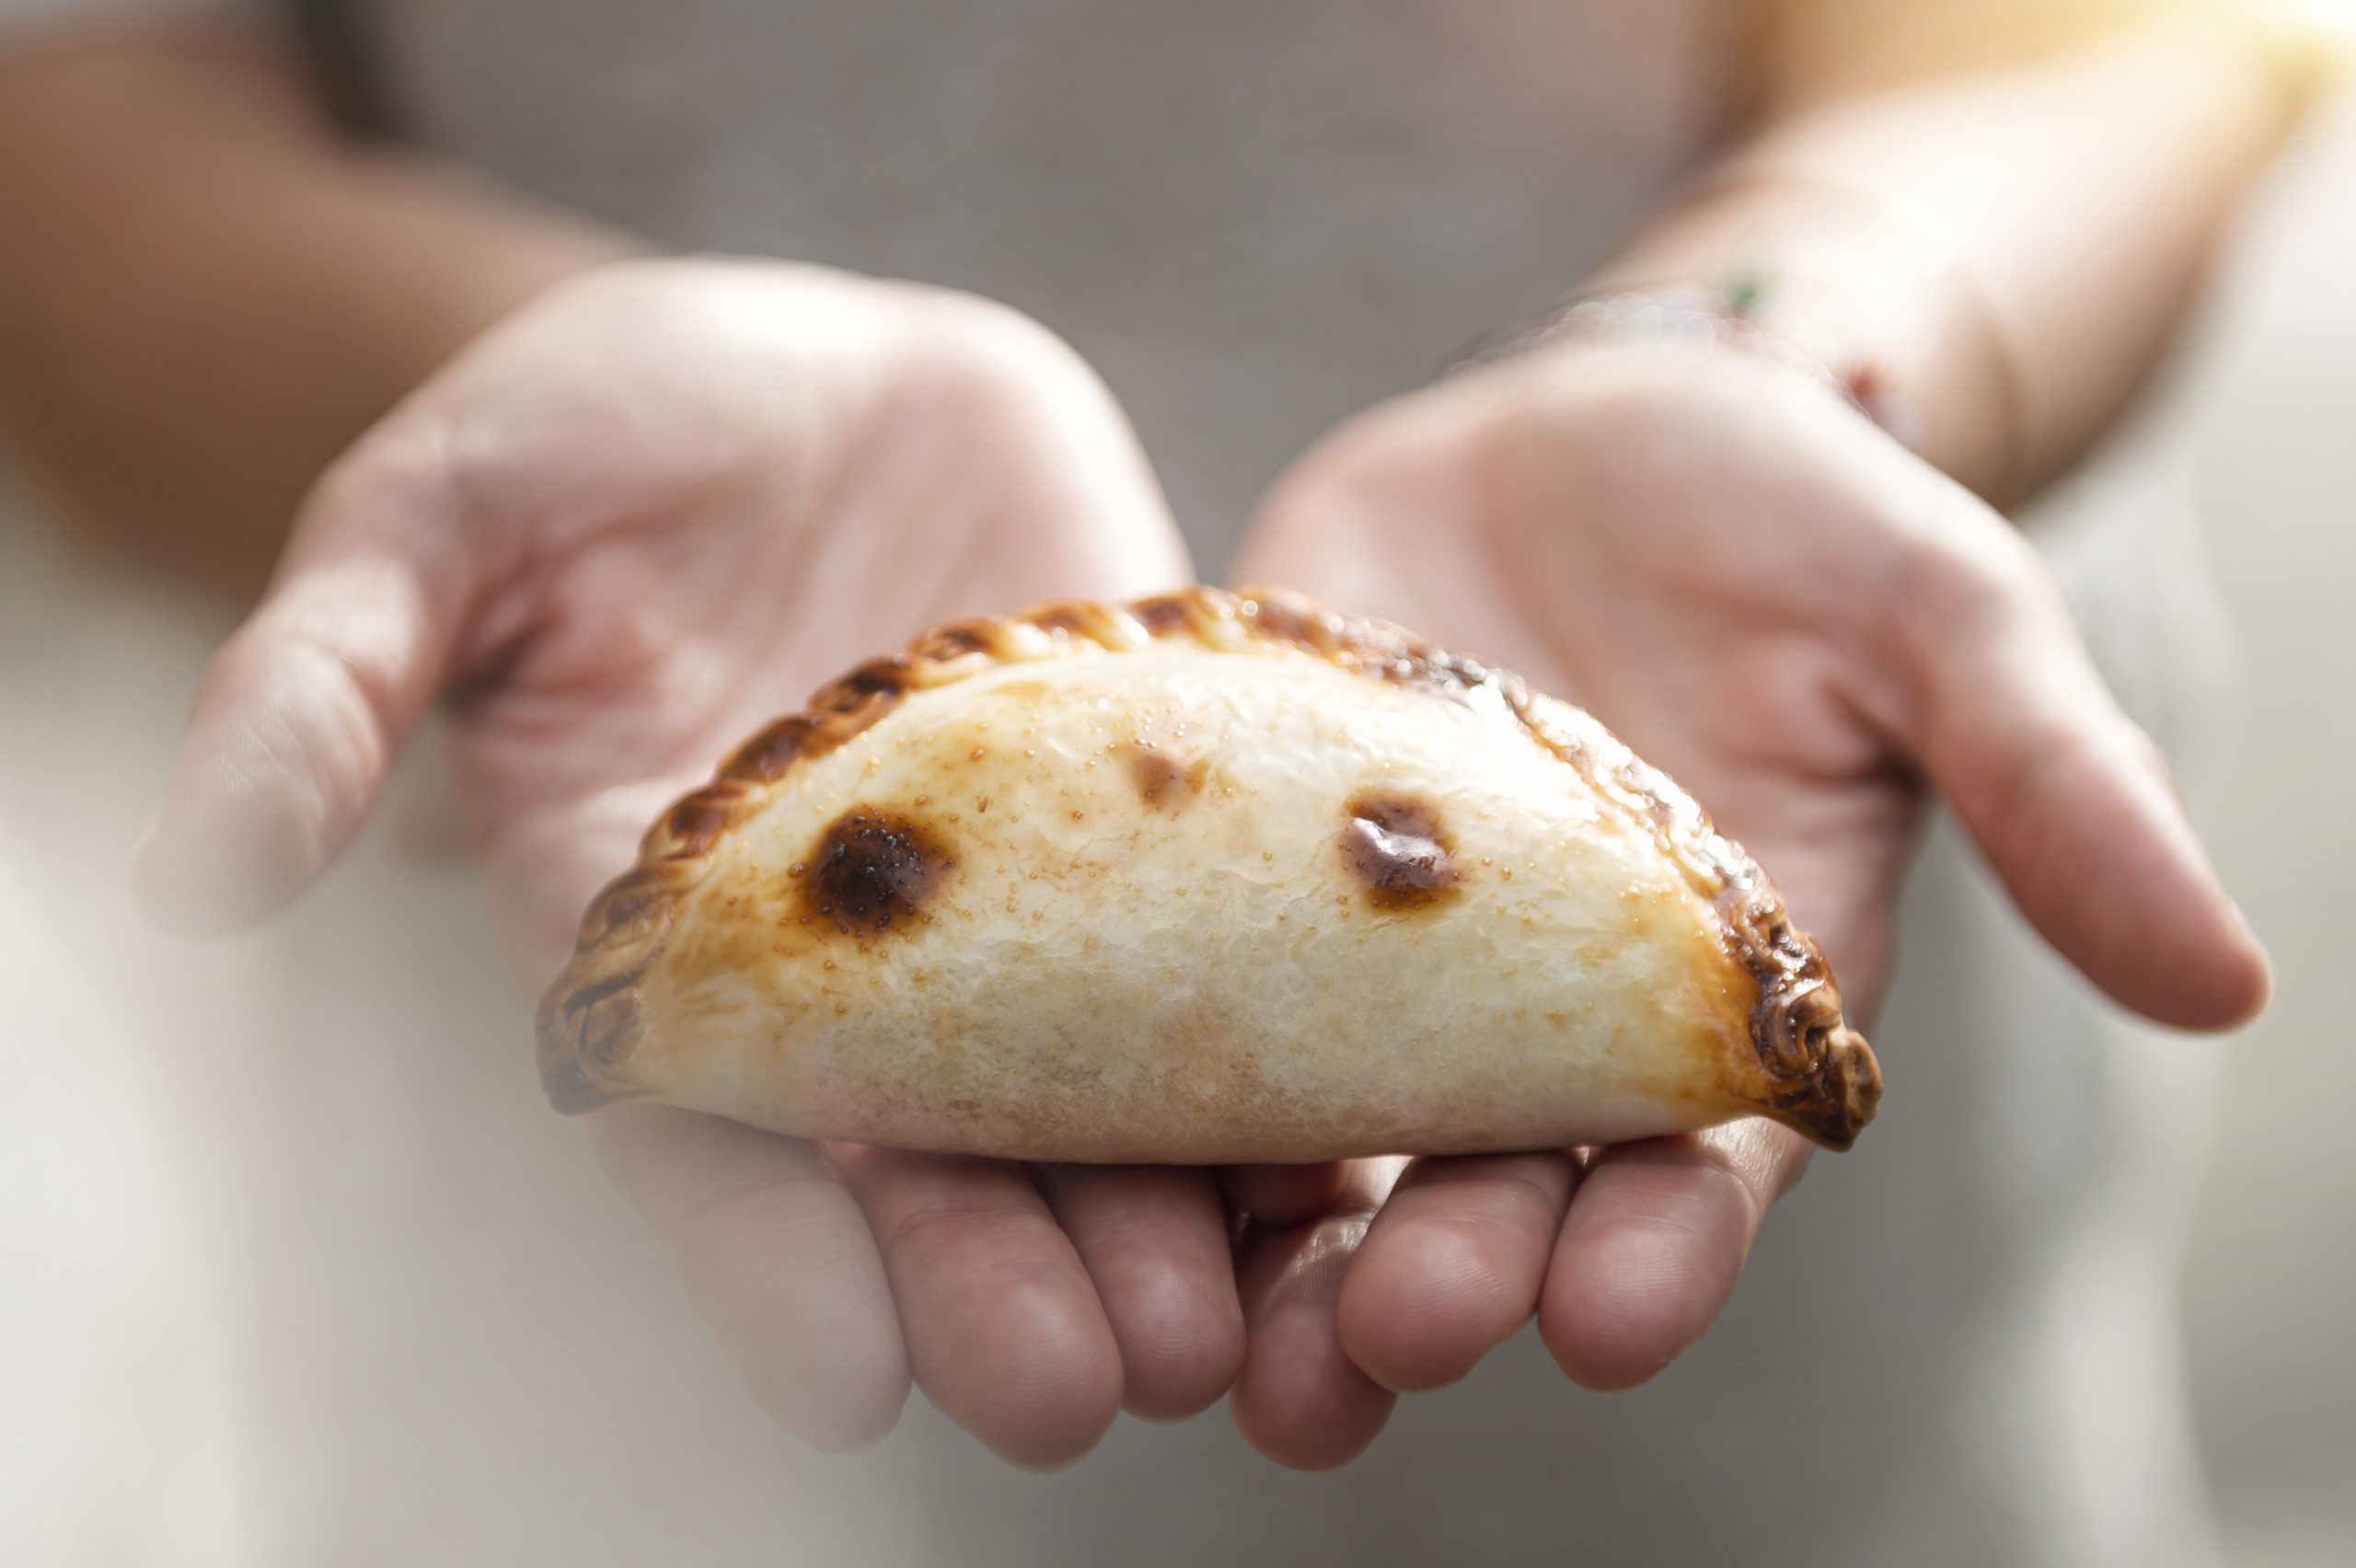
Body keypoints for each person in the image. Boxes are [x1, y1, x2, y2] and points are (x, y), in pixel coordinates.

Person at [0, 1, 2334, 1562]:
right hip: (604, 1395)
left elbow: (2134, 37)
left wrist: (1774, 346)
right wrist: (481, 398)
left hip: (1813, 1435)